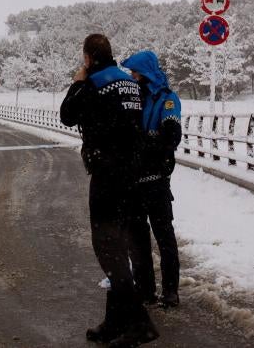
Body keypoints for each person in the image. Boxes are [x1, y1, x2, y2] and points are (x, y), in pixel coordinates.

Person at [60, 34, 159, 347]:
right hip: (132, 176)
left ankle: (140, 324)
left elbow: (67, 115)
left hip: (107, 175)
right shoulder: (128, 82)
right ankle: (114, 323)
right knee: (119, 247)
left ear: (88, 57)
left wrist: (77, 82)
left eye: (84, 58)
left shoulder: (94, 83)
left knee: (108, 249)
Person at [121, 50, 182, 308]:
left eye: (136, 72)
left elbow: (171, 136)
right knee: (137, 239)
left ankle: (170, 291)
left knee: (164, 236)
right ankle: (145, 290)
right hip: (134, 181)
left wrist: (144, 143)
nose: (133, 77)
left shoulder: (168, 99)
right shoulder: (134, 98)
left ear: (145, 72)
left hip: (156, 180)